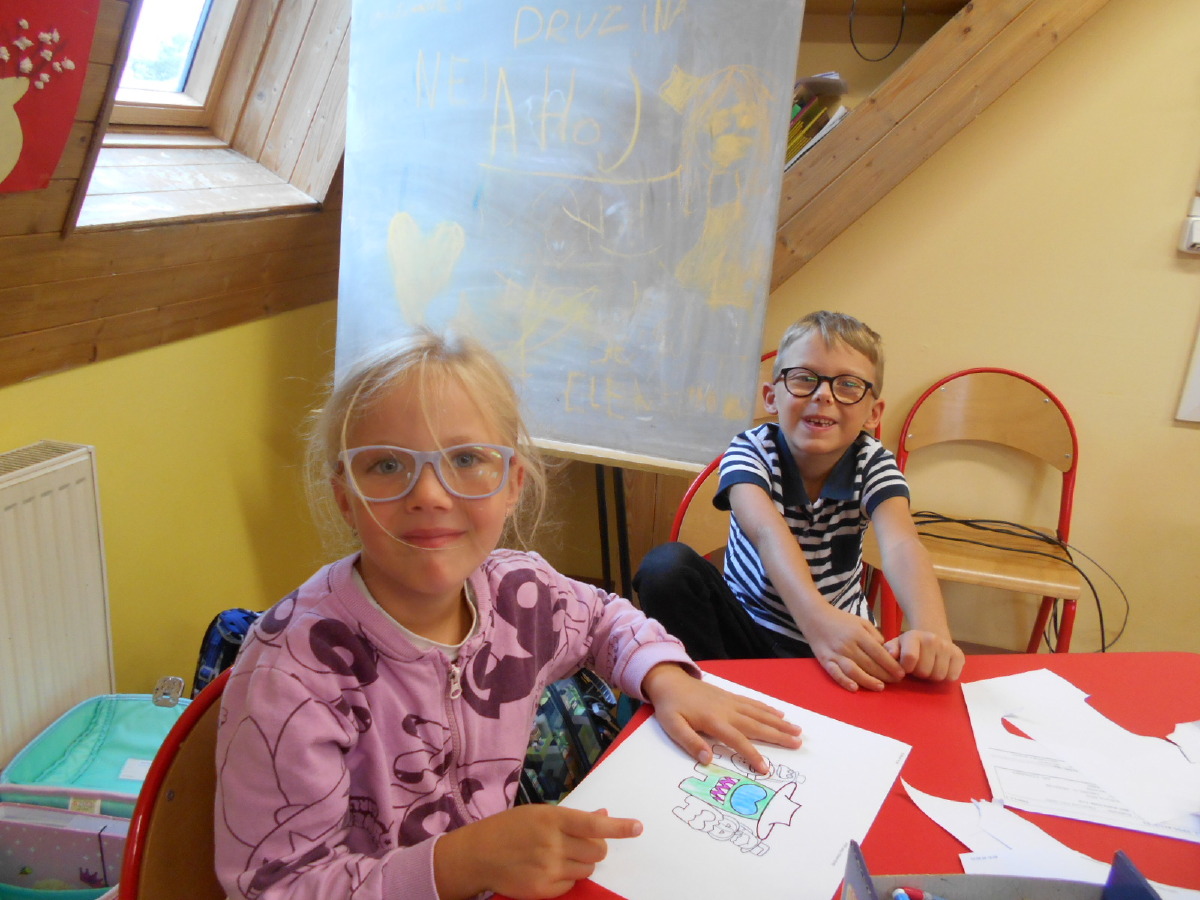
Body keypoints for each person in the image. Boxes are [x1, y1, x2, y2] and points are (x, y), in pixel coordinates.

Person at [213, 328, 802, 900]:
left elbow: (603, 619)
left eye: (466, 458)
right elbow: (277, 886)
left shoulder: (519, 593)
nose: (430, 495)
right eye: (387, 465)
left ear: (512, 483)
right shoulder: (292, 673)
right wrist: (462, 862)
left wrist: (665, 677)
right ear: (346, 496)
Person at [634, 310, 964, 693]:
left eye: (848, 385)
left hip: (839, 638)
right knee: (666, 568)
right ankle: (713, 692)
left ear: (873, 413)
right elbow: (767, 532)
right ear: (772, 397)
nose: (823, 395)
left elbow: (902, 544)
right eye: (804, 378)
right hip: (750, 634)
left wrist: (933, 631)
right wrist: (816, 619)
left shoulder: (873, 463)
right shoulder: (750, 451)